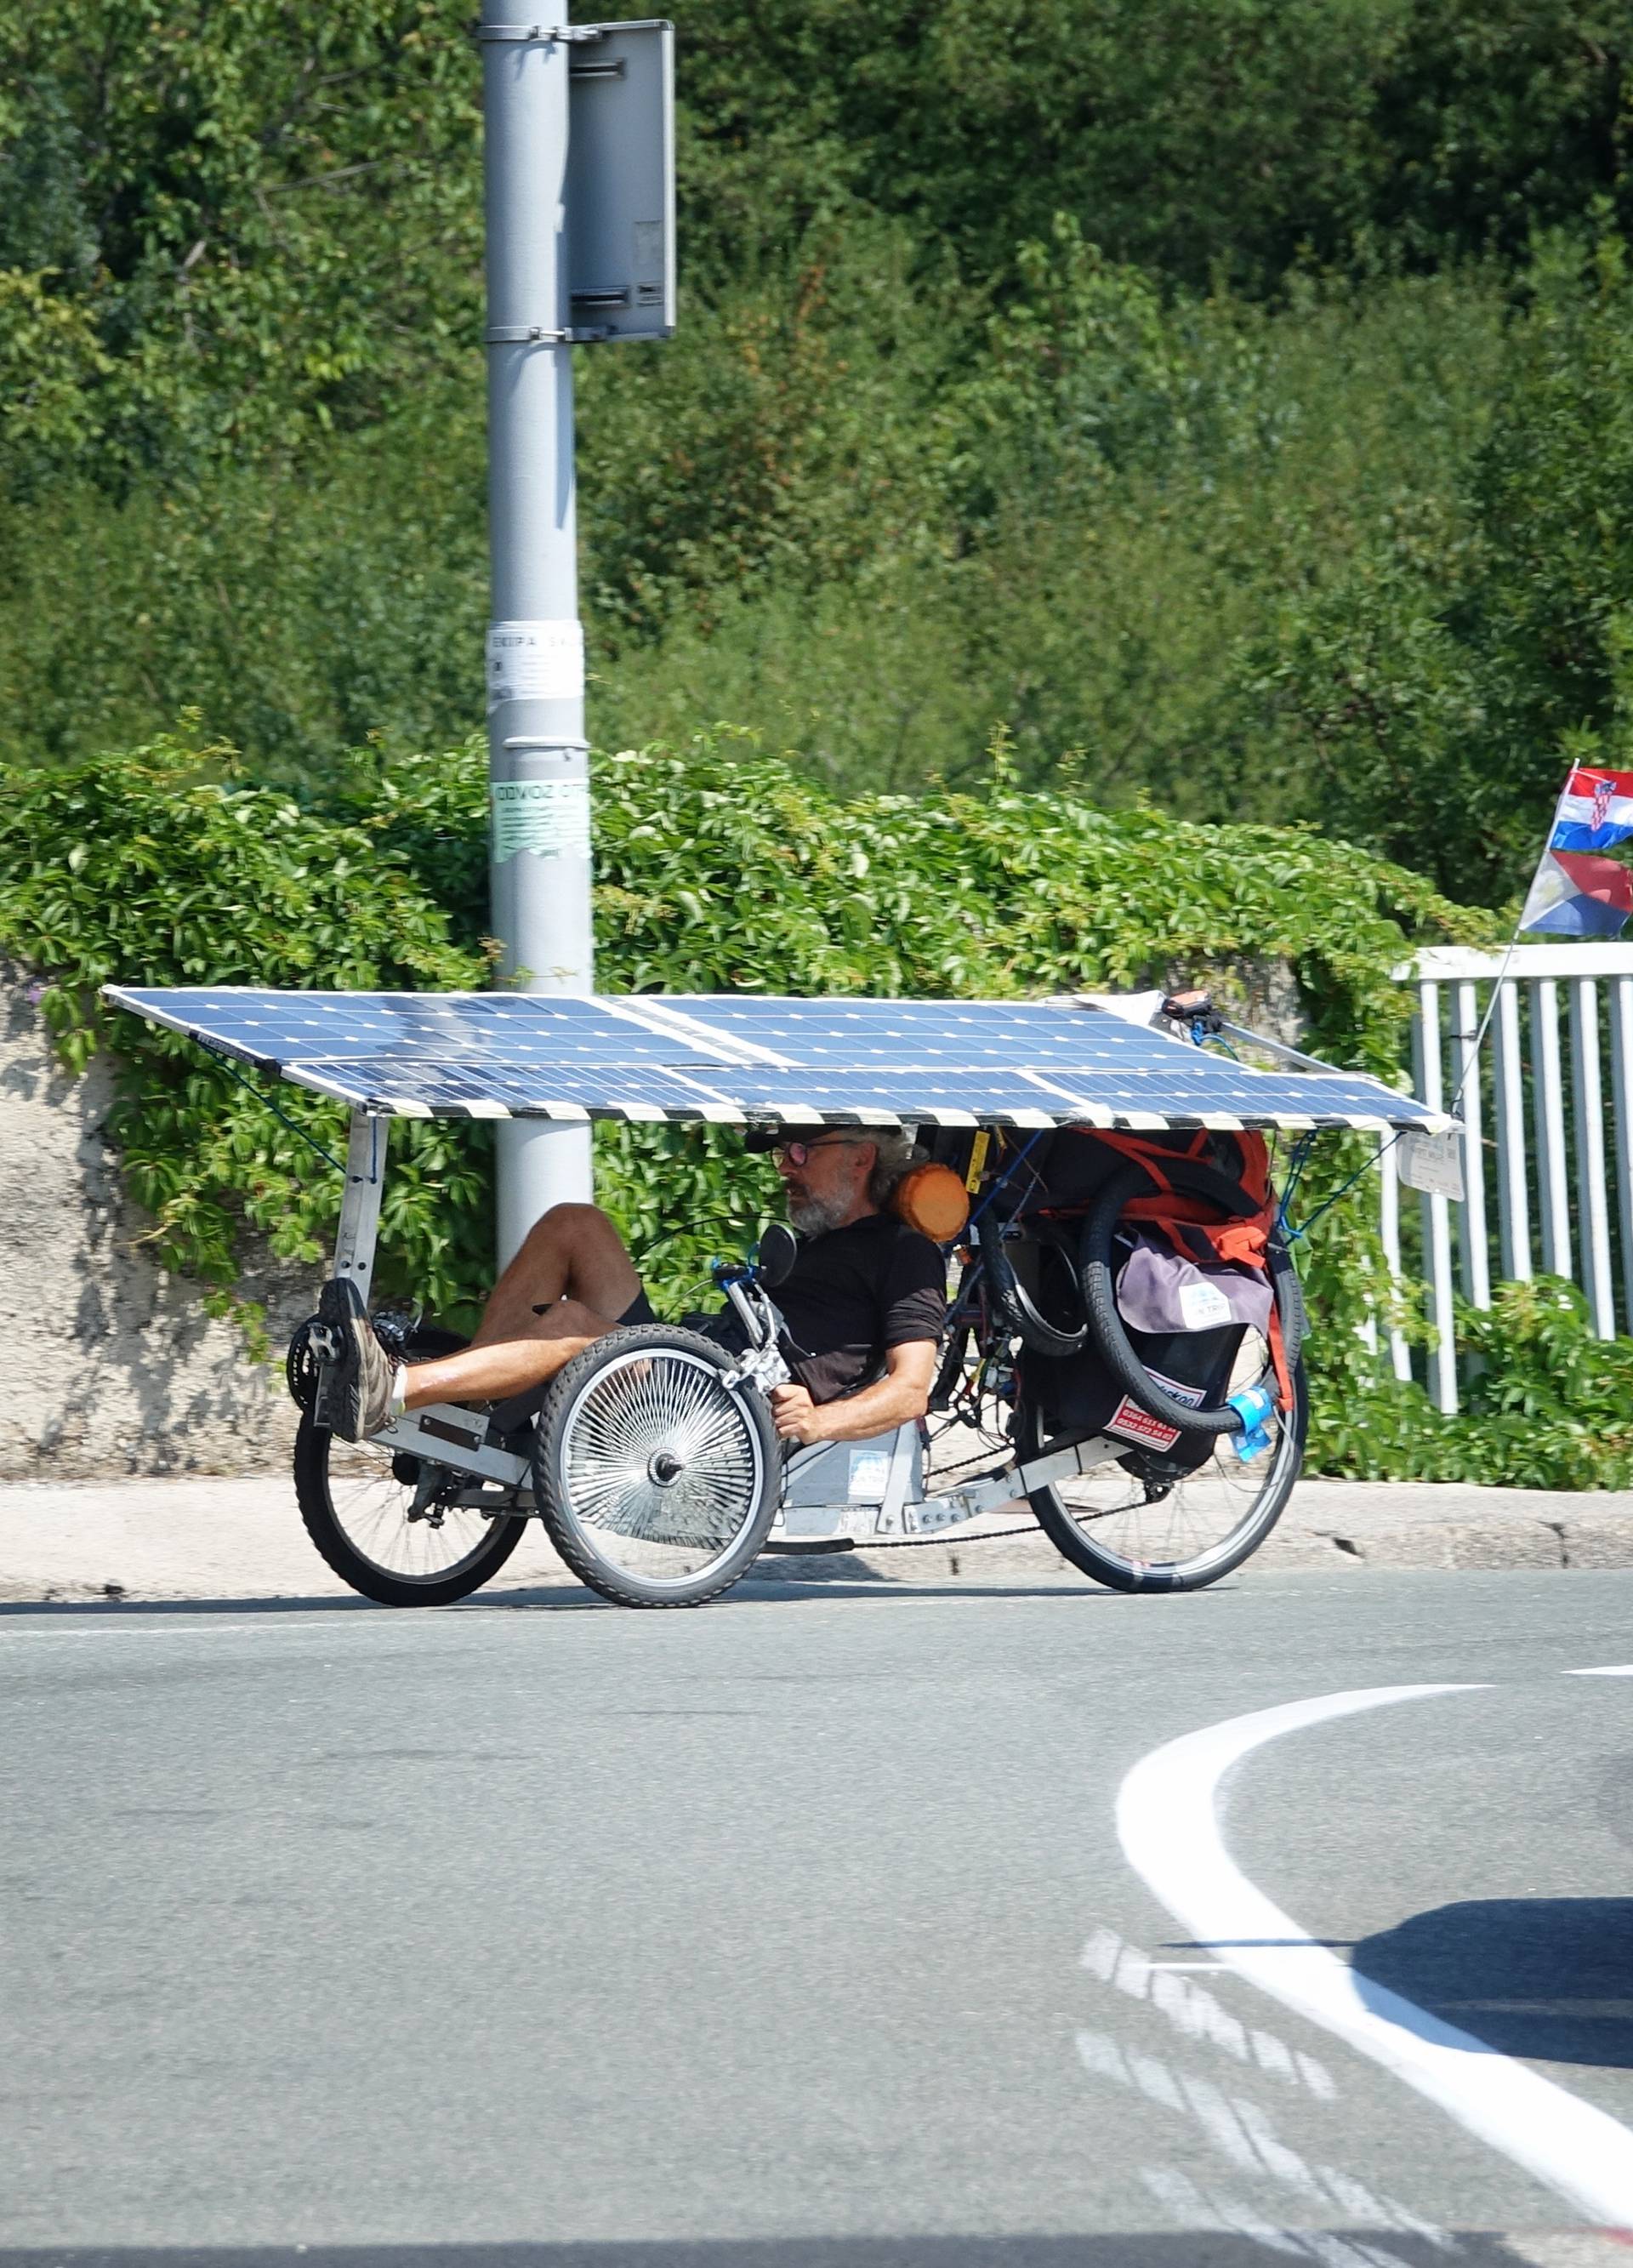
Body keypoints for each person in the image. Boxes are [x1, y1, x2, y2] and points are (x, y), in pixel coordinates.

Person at [320, 1126, 947, 1447]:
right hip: (702, 1357)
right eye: (780, 1153)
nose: (784, 1166)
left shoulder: (906, 1253)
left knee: (574, 1324)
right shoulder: (817, 1242)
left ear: (862, 1158)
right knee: (575, 1224)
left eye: (799, 1153)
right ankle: (472, 1409)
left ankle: (400, 1389)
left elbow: (911, 1389)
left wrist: (820, 1422)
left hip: (723, 1406)